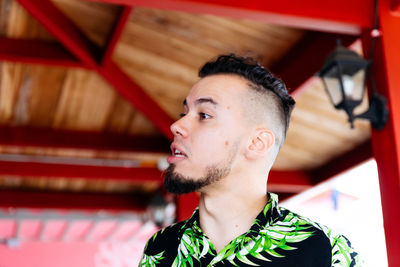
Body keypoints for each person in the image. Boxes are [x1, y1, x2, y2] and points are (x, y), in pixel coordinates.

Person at [139, 54, 361, 266]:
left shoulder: (326, 252)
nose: (176, 126)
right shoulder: (159, 249)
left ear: (257, 143)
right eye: (184, 114)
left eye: (204, 115)